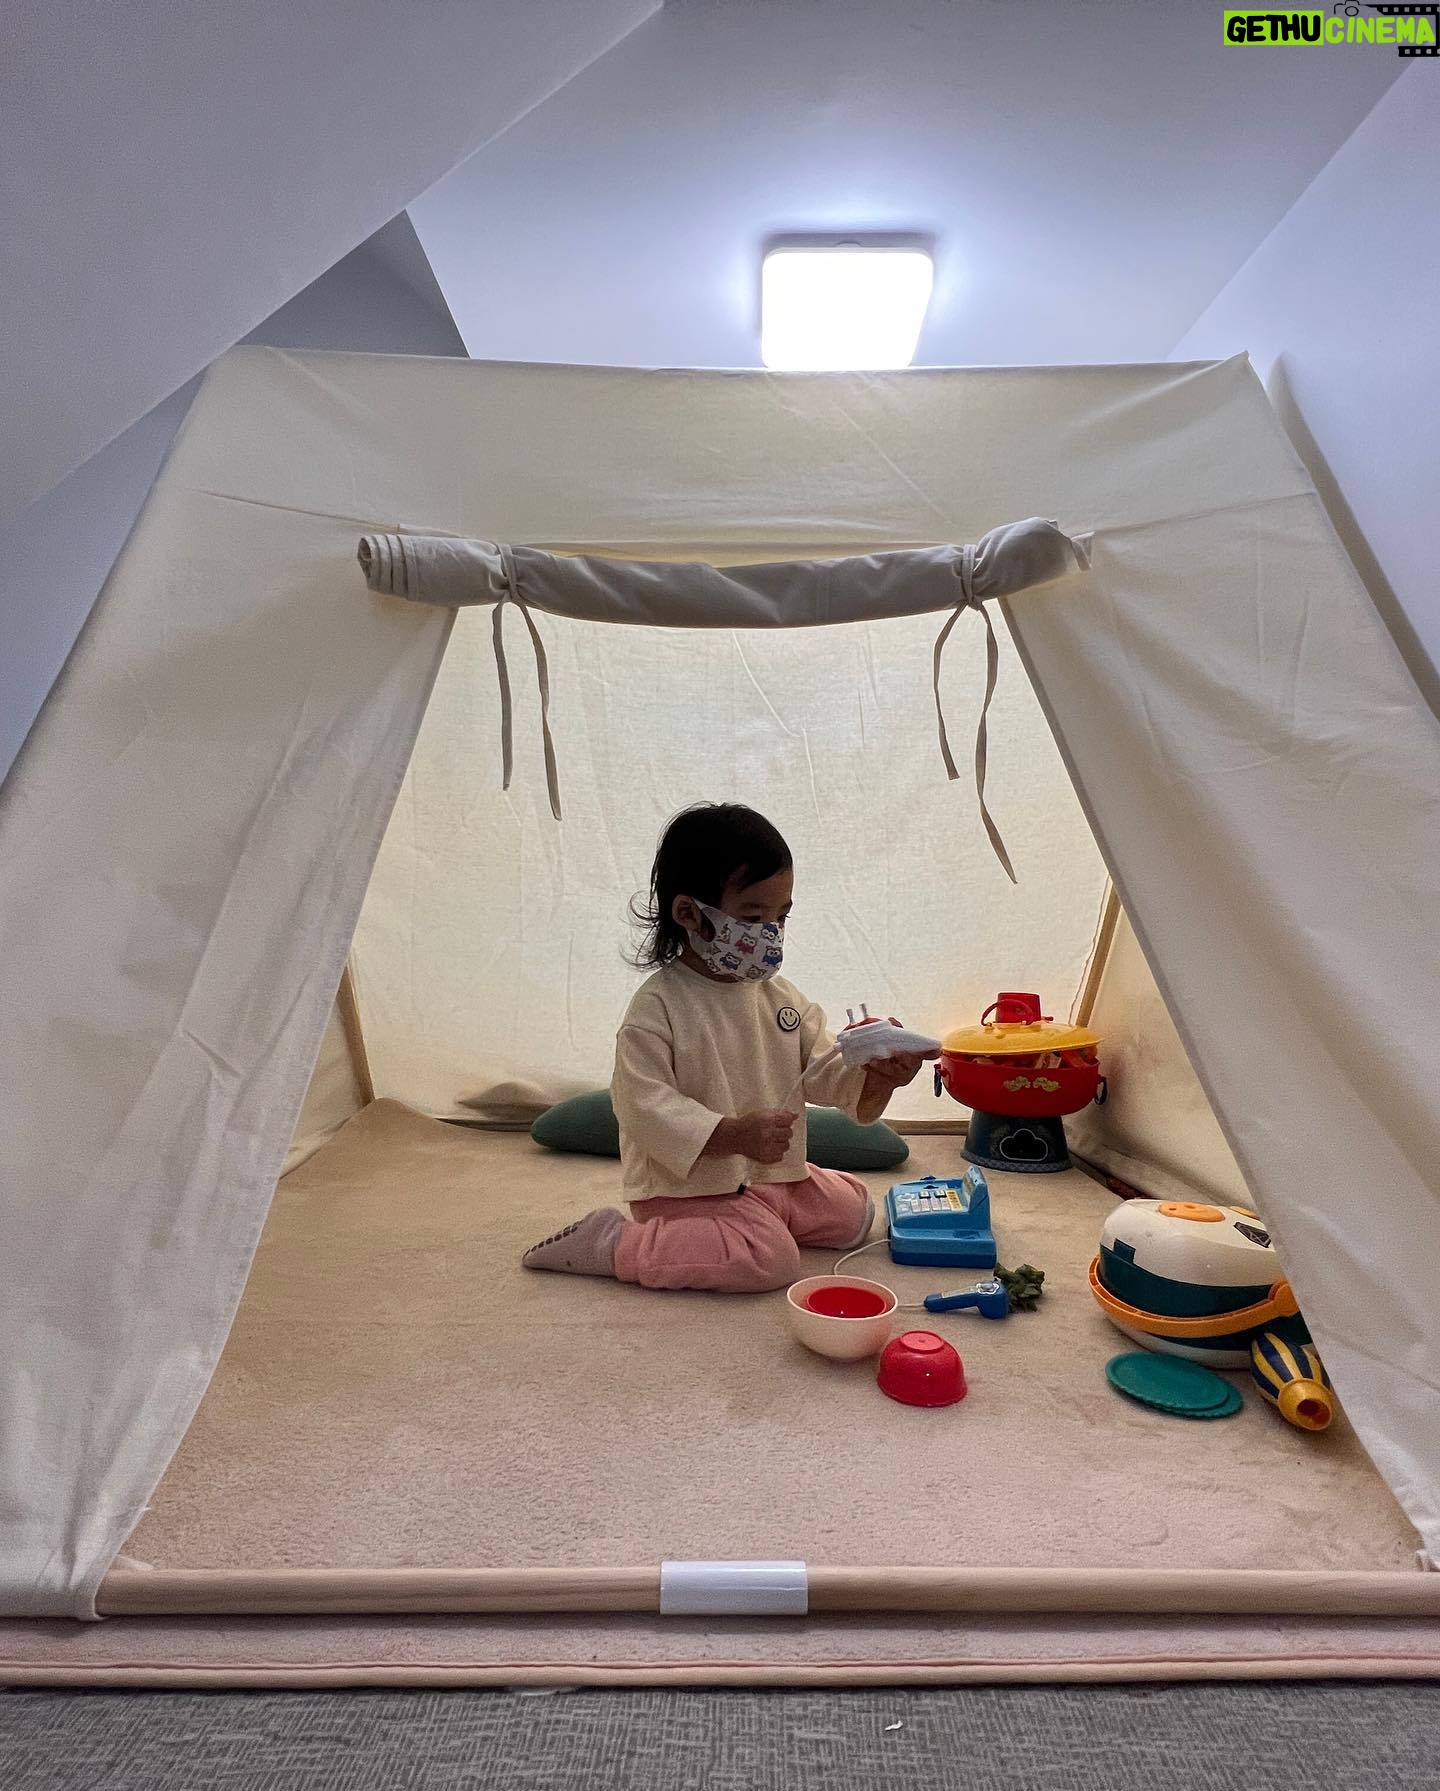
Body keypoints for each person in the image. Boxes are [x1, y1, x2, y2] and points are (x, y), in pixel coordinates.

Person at [522, 802, 926, 1291]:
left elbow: (825, 1072)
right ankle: (615, 1243)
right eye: (753, 916)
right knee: (770, 1261)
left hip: (767, 1174)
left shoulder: (780, 997)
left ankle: (762, 1209)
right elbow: (641, 1106)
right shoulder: (657, 1007)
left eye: (782, 916)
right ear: (689, 914)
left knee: (856, 1213)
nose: (771, 932)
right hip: (687, 1188)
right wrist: (732, 1136)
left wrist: (878, 1076)